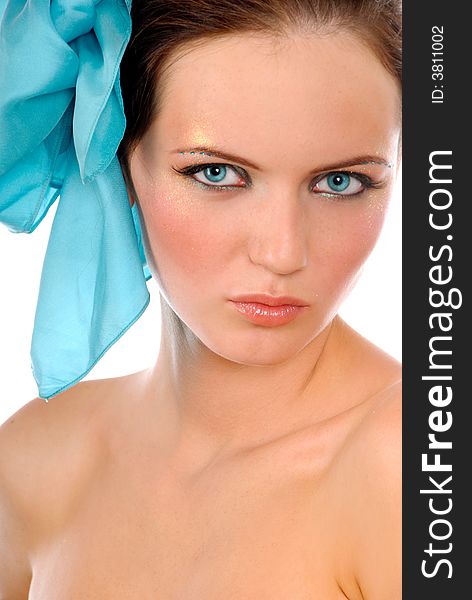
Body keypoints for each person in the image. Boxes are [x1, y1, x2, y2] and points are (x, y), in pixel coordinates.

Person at [0, 0, 402, 597]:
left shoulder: (411, 466)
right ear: (119, 162)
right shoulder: (34, 459)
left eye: (340, 182)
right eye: (217, 173)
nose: (283, 252)